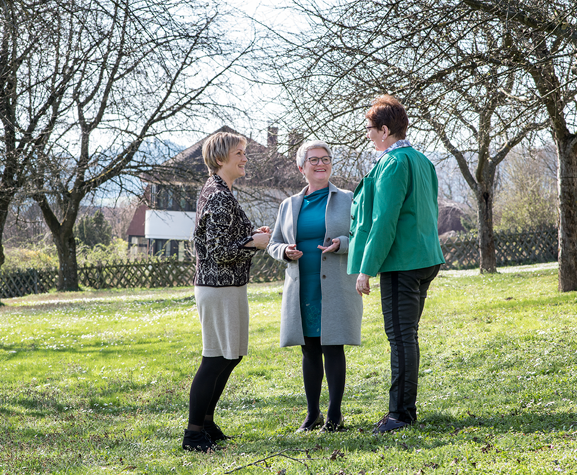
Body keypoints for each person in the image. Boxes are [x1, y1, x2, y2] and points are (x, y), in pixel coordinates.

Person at [347, 95, 445, 434]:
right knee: (408, 336)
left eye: (370, 130)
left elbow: (384, 220)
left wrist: (366, 267)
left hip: (401, 263)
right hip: (425, 258)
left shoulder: (392, 163)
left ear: (385, 130)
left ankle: (400, 415)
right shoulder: (422, 161)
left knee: (401, 338)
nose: (369, 136)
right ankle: (404, 410)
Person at [182, 131, 271, 453]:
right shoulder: (218, 195)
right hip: (217, 288)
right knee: (216, 358)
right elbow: (219, 251)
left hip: (227, 287)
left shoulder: (221, 192)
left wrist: (251, 236)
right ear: (221, 159)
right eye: (239, 153)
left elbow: (222, 239)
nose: (245, 158)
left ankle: (206, 423)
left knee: (231, 357)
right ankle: (193, 434)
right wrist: (254, 243)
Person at [267, 140, 361, 433]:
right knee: (309, 351)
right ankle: (312, 415)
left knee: (333, 348)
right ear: (301, 167)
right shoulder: (288, 205)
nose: (320, 164)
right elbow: (273, 244)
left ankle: (335, 416)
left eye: (325, 159)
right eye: (314, 160)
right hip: (301, 288)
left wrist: (341, 244)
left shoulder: (348, 198)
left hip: (334, 287)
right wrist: (284, 252)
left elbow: (362, 236)